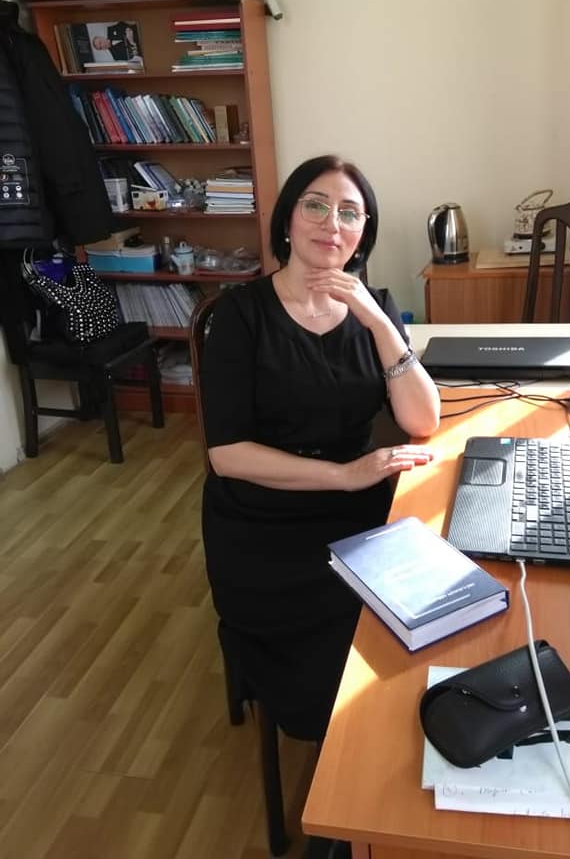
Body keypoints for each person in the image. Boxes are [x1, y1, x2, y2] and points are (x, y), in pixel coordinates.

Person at [200, 154, 440, 744]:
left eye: (350, 213)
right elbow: (226, 454)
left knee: (419, 643)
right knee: (334, 696)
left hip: (357, 516)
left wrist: (377, 322)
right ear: (287, 219)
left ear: (362, 234)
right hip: (263, 526)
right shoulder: (238, 315)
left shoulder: (374, 307)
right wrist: (346, 474)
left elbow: (423, 418)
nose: (332, 223)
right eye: (316, 205)